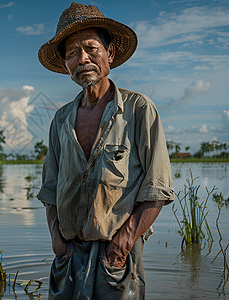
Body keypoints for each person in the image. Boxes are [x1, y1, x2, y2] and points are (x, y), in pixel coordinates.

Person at [37, 3, 175, 299]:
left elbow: (158, 189)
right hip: (67, 255)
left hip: (116, 256)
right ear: (65, 65)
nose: (82, 59)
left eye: (91, 48)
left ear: (109, 53)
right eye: (72, 53)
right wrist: (56, 241)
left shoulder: (139, 110)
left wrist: (122, 244)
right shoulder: (61, 119)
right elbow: (50, 190)